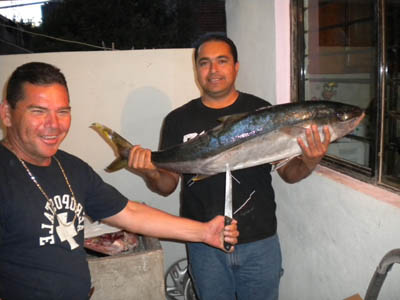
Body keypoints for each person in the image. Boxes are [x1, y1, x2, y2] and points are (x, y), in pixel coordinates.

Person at [0, 62, 239, 300]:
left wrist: (205, 232)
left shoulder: (71, 168)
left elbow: (130, 213)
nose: (54, 124)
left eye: (62, 111)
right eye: (38, 111)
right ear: (7, 114)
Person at [128, 33, 331, 300]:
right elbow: (166, 186)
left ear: (236, 66)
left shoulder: (261, 110)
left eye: (222, 61)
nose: (213, 70)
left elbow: (289, 174)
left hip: (260, 242)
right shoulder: (178, 119)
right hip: (203, 243)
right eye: (204, 62)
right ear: (196, 69)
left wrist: (310, 159)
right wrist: (151, 171)